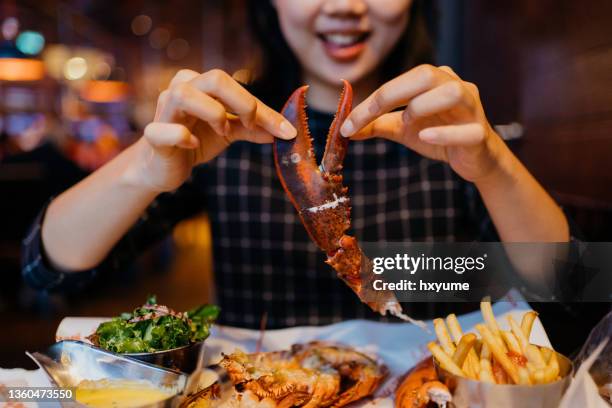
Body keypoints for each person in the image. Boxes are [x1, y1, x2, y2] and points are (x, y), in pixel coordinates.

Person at [22, 0, 570, 329]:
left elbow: (567, 286)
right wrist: (143, 169)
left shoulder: (456, 122)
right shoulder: (222, 128)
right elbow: (49, 269)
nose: (344, 6)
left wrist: (494, 167)